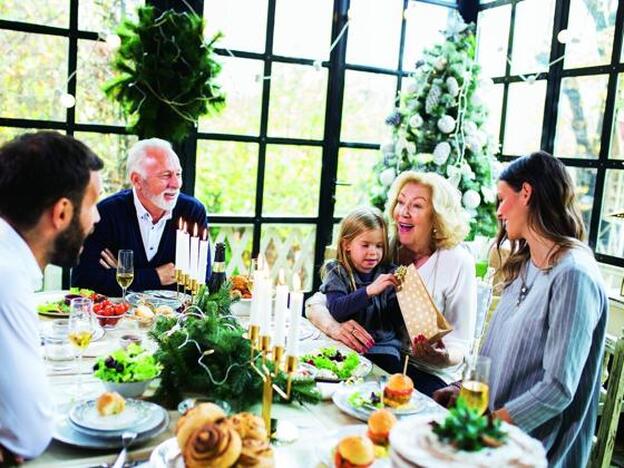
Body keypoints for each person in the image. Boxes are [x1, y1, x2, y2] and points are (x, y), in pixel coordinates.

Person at [433, 151, 607, 467]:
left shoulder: (573, 275)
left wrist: (487, 426)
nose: (499, 211)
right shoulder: (526, 264)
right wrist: (463, 390)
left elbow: (557, 389)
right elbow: (498, 352)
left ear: (526, 193)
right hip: (496, 439)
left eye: (502, 199)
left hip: (537, 452)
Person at [307, 171, 476, 396]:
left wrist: (439, 357)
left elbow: (461, 346)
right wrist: (335, 328)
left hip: (428, 371)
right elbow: (319, 300)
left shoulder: (457, 261)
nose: (403, 212)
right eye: (400, 202)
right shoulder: (383, 246)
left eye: (416, 206)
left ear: (437, 216)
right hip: (372, 356)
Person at [0, 131, 103, 462]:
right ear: (61, 213)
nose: (97, 219)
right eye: (93, 204)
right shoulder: (7, 277)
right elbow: (28, 437)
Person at [72, 138, 211, 296]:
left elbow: (202, 282)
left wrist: (125, 275)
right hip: (119, 319)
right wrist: (156, 276)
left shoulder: (192, 212)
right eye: (166, 176)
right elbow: (83, 282)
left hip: (177, 319)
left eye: (178, 174)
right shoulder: (106, 213)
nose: (176, 183)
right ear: (137, 180)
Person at [319, 207, 402, 373]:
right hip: (348, 346)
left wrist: (403, 297)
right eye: (365, 245)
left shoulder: (389, 273)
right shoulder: (336, 270)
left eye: (379, 246)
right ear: (347, 244)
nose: (373, 252)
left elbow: (396, 320)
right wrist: (370, 291)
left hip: (385, 350)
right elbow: (336, 310)